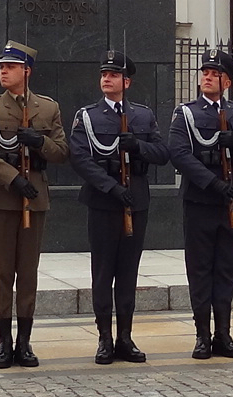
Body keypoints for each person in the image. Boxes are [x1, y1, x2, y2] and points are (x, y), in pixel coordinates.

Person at [0, 40, 68, 368]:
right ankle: (4, 341)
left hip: (34, 197)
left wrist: (39, 142)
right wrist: (12, 178)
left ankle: (24, 342)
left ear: (27, 70)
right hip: (2, 196)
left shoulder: (47, 108)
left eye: (9, 67)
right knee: (2, 272)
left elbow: (62, 151)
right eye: (0, 67)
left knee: (28, 272)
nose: (3, 72)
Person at [66, 49, 164, 364]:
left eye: (113, 75)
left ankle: (125, 337)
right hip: (103, 200)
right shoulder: (88, 116)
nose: (106, 79)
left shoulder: (142, 115)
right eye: (104, 74)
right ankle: (104, 339)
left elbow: (162, 153)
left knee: (128, 272)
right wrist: (110, 187)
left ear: (127, 81)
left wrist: (139, 147)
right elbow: (80, 157)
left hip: (135, 199)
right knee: (103, 271)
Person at [168, 49, 233, 360]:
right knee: (200, 269)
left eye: (214, 74)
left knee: (226, 269)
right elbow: (179, 154)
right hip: (201, 200)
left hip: (232, 203)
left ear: (227, 82)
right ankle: (202, 335)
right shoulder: (186, 113)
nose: (207, 77)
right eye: (204, 73)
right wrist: (213, 183)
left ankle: (223, 332)